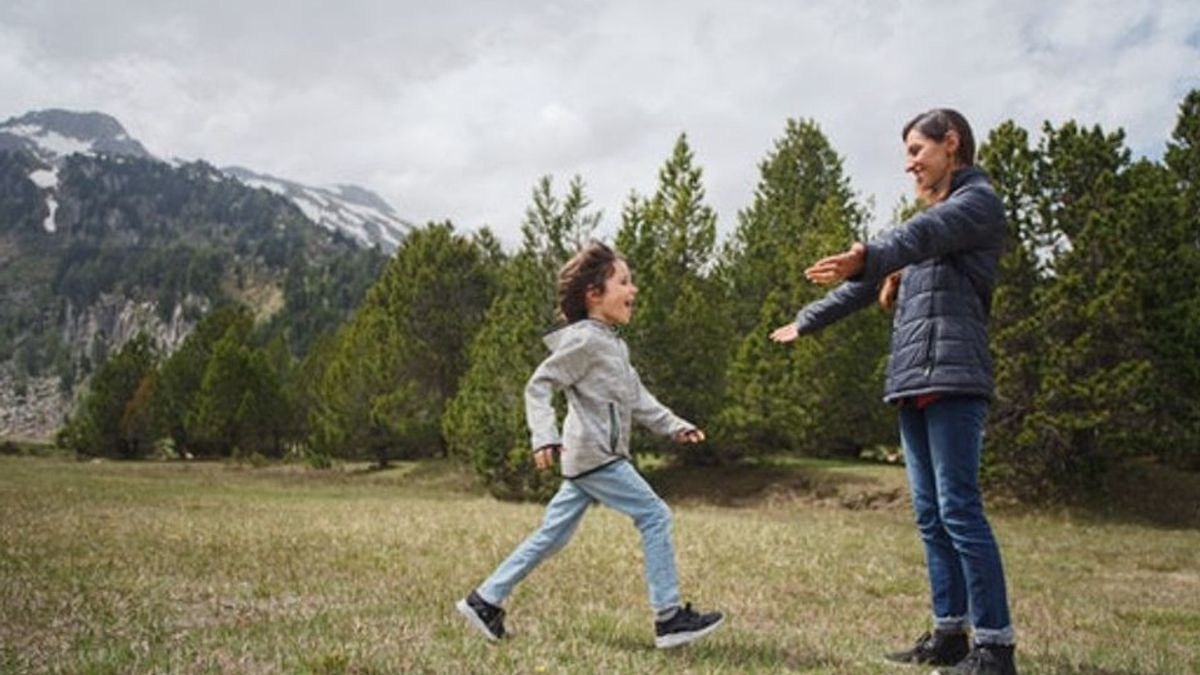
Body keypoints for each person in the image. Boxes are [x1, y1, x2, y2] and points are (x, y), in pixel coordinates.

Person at [770, 109, 1017, 675]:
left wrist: (872, 252)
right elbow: (863, 288)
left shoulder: (975, 205)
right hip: (912, 380)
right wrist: (808, 320)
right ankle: (950, 636)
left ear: (950, 144)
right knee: (931, 516)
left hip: (954, 376)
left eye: (915, 150)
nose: (908, 164)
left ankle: (996, 648)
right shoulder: (932, 222)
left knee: (959, 510)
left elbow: (918, 234)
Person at [456, 241, 725, 649]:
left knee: (552, 535)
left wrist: (676, 427)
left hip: (588, 459)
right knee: (654, 516)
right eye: (623, 282)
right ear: (594, 295)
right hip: (597, 456)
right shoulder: (586, 342)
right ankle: (669, 618)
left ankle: (485, 600)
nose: (633, 290)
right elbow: (539, 385)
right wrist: (543, 435)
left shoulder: (613, 344)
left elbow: (638, 398)